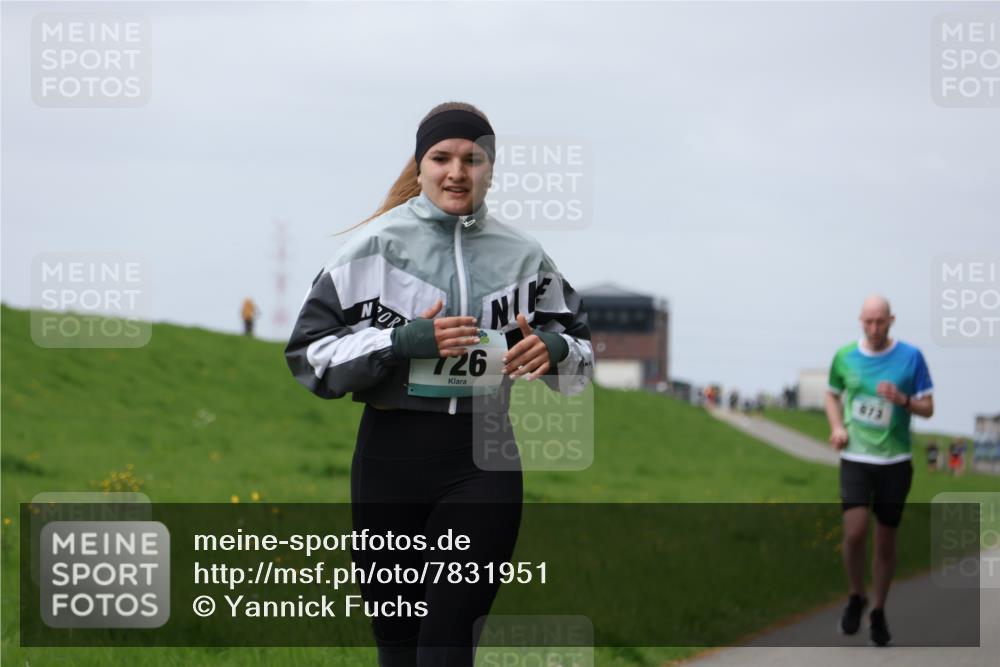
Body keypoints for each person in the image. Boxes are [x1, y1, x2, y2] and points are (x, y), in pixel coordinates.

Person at [284, 102, 593, 667]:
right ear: (421, 166)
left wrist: (554, 350)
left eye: (472, 159)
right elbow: (309, 355)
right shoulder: (373, 248)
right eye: (442, 157)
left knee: (447, 644)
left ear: (491, 170)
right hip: (389, 461)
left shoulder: (526, 256)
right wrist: (403, 343)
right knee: (399, 648)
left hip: (484, 460)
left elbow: (585, 356)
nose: (457, 171)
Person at [825, 295, 933, 647]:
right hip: (856, 458)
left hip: (895, 461)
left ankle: (879, 611)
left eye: (880, 322)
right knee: (855, 533)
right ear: (860, 320)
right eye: (868, 322)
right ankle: (857, 596)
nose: (873, 329)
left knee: (885, 541)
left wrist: (903, 400)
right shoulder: (844, 357)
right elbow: (831, 394)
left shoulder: (911, 357)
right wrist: (838, 427)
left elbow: (929, 408)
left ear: (891, 320)